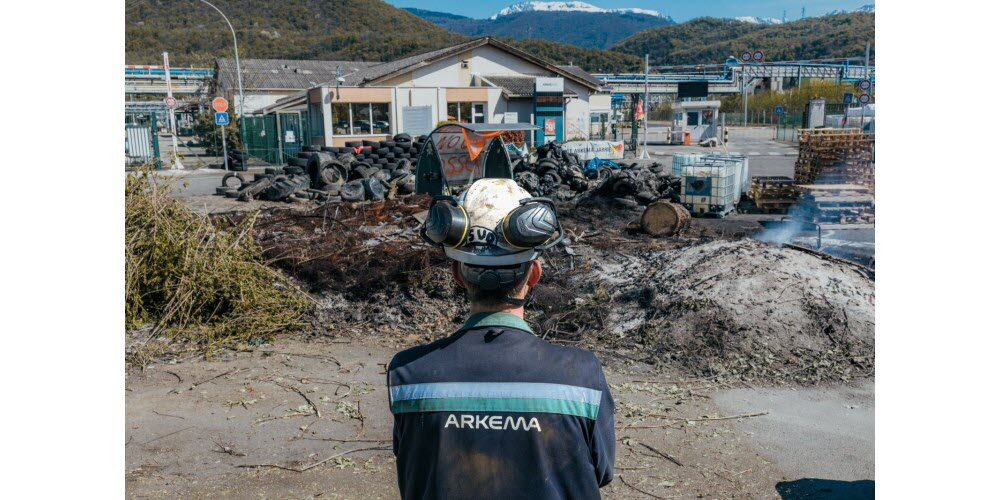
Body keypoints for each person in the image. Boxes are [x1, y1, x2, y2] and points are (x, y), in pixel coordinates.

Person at [387, 178, 615, 499]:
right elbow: (601, 472)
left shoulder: (408, 374)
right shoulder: (581, 377)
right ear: (534, 274)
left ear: (457, 274)